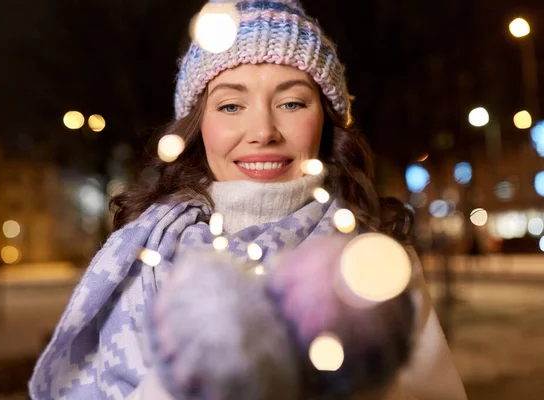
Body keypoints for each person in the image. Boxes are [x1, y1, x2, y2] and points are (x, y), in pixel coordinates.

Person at [29, 0, 467, 399]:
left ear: (327, 122)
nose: (263, 131)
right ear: (198, 125)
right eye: (231, 106)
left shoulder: (375, 262)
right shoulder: (142, 256)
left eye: (292, 103)